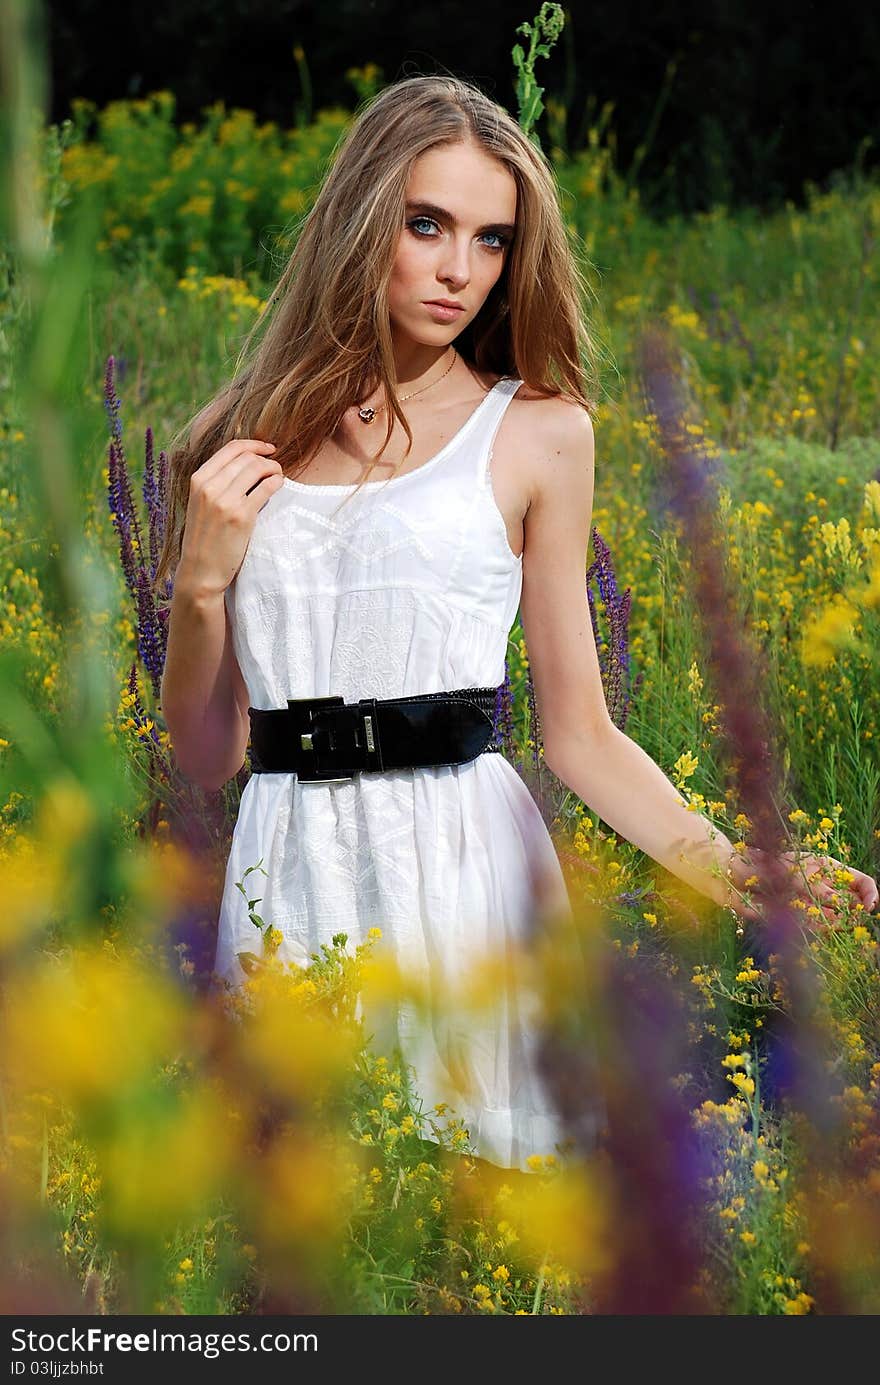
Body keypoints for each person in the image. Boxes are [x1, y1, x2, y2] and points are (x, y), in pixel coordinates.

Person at [156, 74, 879, 1173]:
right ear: (362, 221)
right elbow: (208, 756)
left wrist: (735, 865)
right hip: (287, 862)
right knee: (304, 1230)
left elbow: (578, 731)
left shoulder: (538, 431)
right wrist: (197, 587)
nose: (459, 269)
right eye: (427, 224)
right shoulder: (238, 441)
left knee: (480, 1224)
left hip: (463, 864)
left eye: (492, 239)